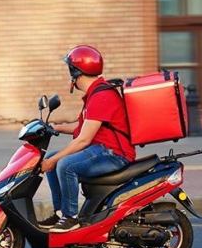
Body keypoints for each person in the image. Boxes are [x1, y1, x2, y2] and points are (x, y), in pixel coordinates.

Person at [38, 45, 136, 233]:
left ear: (76, 72)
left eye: (70, 69)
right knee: (52, 157)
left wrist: (53, 160)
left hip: (114, 154)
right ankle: (60, 213)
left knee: (65, 164)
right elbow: (82, 127)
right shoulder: (95, 94)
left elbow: (83, 139)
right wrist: (54, 128)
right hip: (101, 150)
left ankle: (70, 218)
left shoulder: (102, 96)